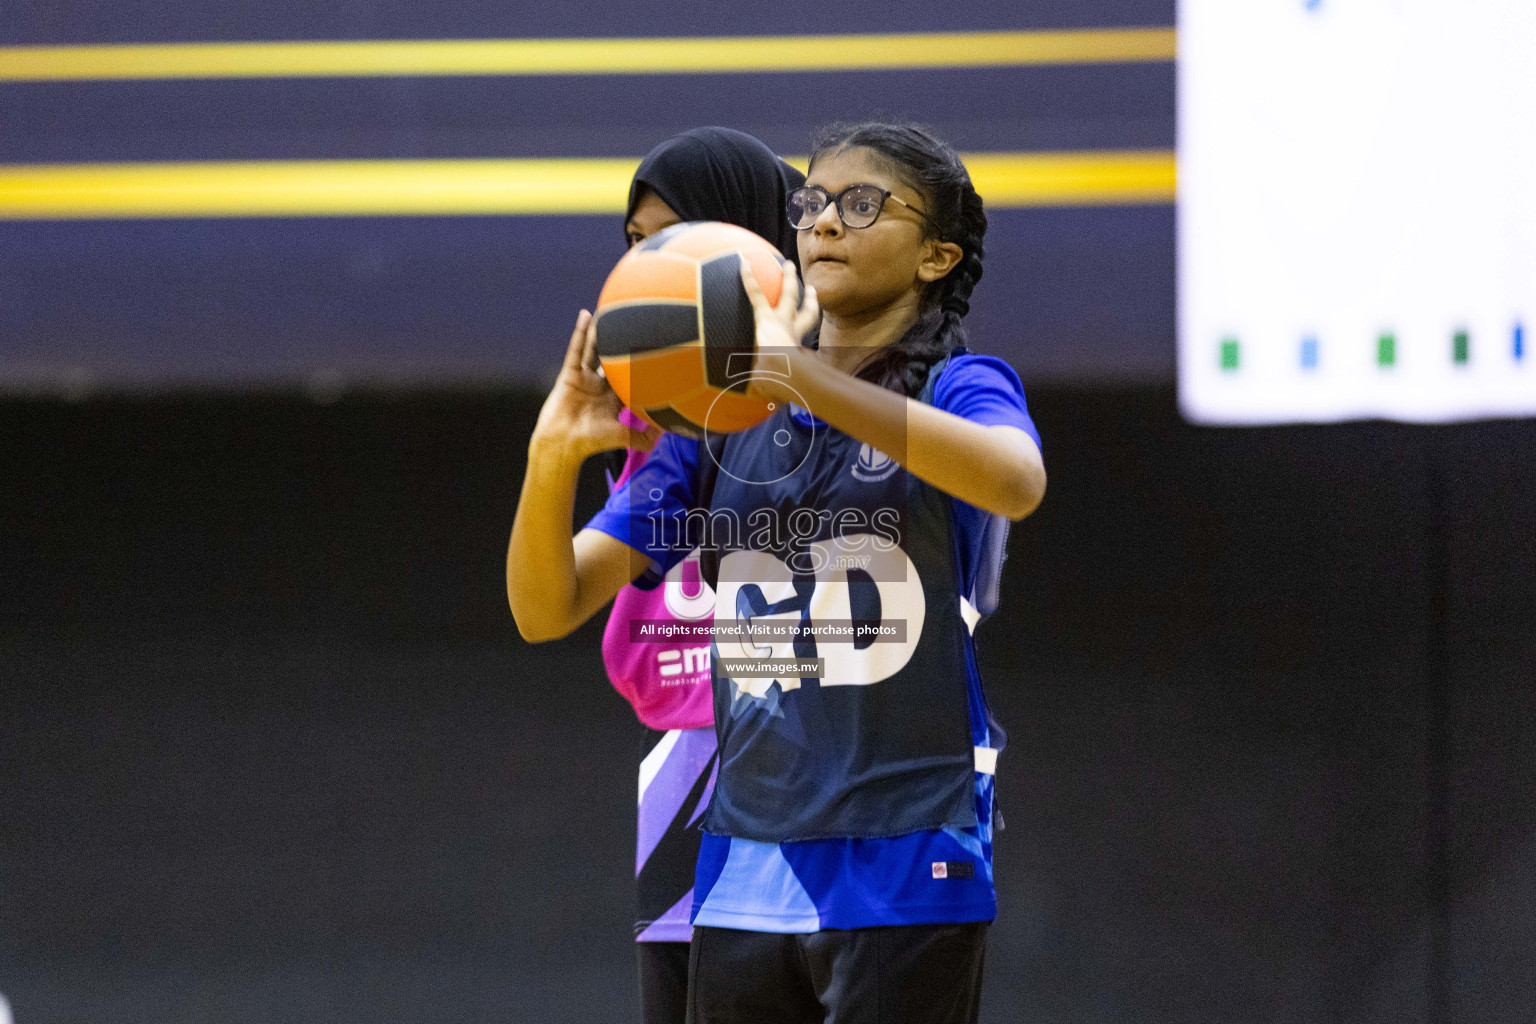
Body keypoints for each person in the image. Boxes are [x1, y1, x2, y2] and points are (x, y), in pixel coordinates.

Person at [508, 121, 1046, 1023]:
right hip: (745, 862)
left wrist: (804, 377)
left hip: (905, 850)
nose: (827, 221)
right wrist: (550, 457)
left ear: (936, 255)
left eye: (862, 203)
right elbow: (545, 604)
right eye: (813, 203)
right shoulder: (722, 424)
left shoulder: (960, 385)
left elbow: (1016, 481)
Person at [596, 127, 805, 1024]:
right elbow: (618, 645)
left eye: (674, 236)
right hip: (685, 788)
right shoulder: (651, 411)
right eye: (636, 241)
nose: (649, 264)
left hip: (818, 787)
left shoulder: (854, 393)